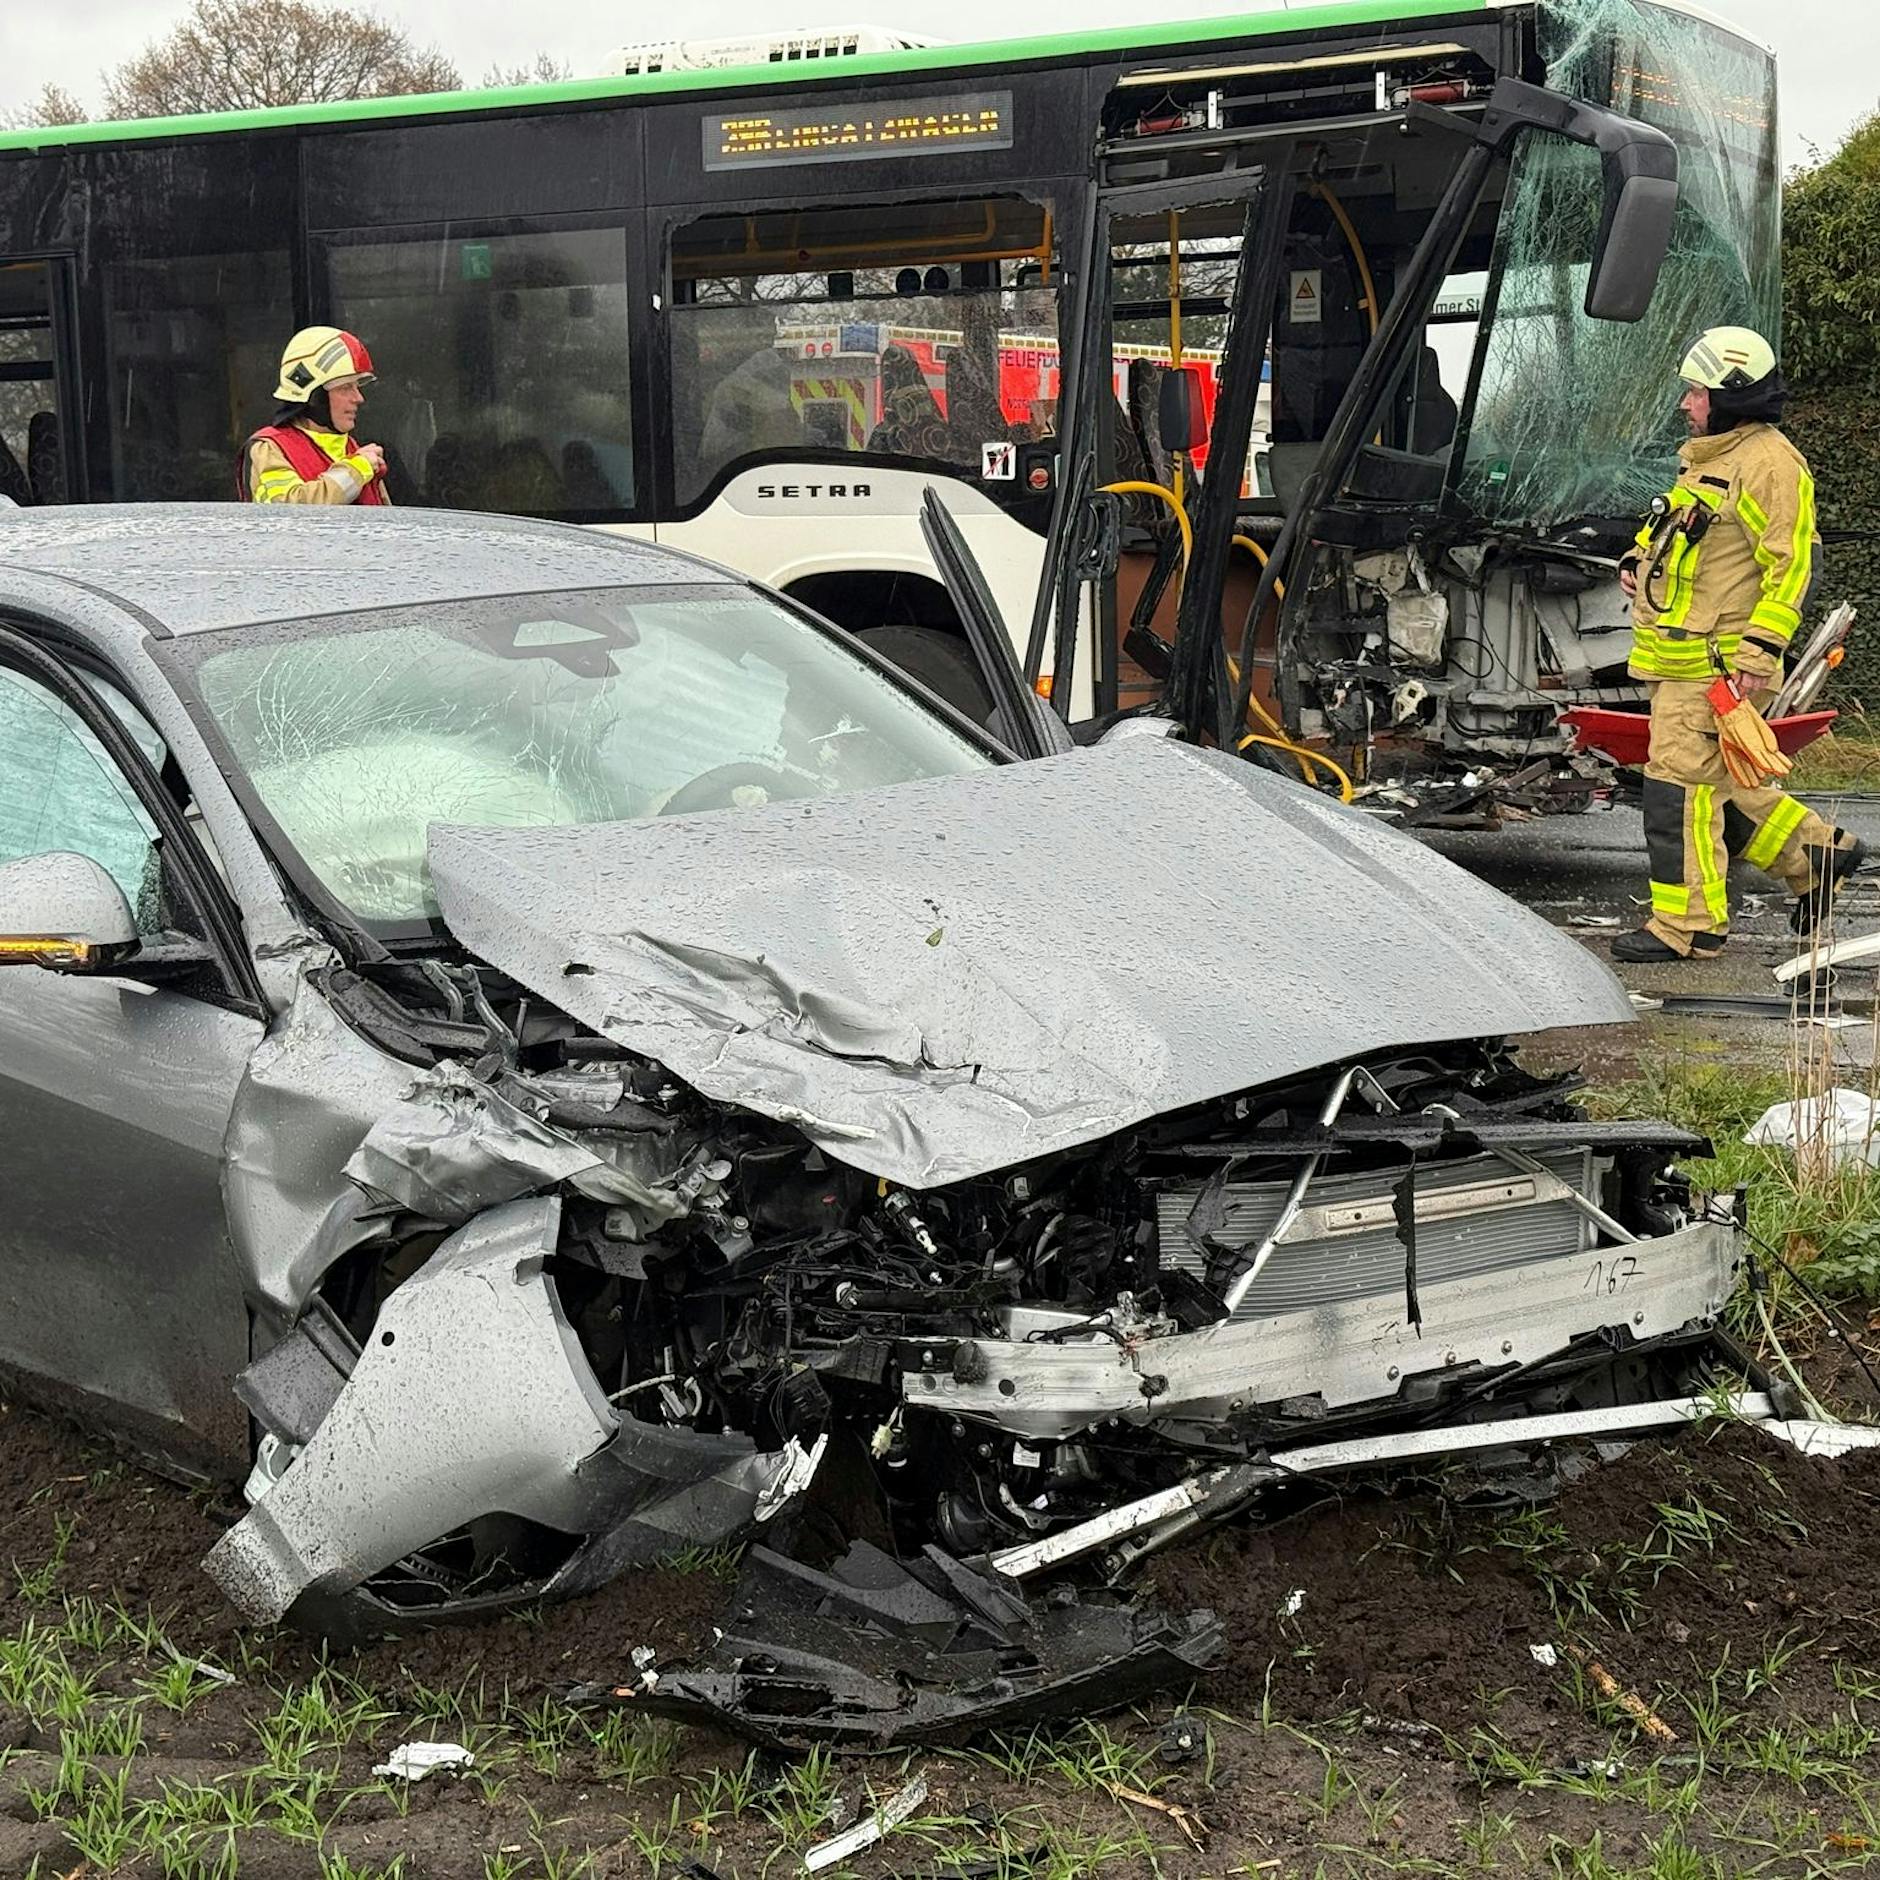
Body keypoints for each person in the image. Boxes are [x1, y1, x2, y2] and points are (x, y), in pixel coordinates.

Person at [1611, 325, 1864, 964]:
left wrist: (1759, 654)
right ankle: (1818, 855)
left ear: (1728, 397)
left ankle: (1688, 928)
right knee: (1725, 791)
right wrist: (1637, 559)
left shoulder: (1770, 464)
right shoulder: (1710, 460)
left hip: (1718, 664)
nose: (1686, 404)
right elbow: (1686, 539)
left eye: (1695, 392)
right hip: (1686, 660)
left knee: (1677, 793)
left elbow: (1791, 568)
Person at [236, 327, 390, 506]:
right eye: (345, 387)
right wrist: (356, 470)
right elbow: (288, 512)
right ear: (314, 396)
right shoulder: (269, 449)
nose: (358, 398)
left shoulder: (354, 451)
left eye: (357, 387)